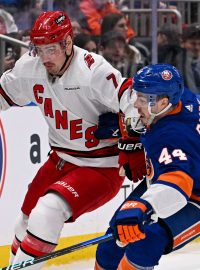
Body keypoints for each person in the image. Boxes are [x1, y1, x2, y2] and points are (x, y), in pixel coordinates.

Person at [0, 11, 146, 270]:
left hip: (100, 167)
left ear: (68, 43)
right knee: (25, 219)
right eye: (39, 49)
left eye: (51, 49)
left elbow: (131, 98)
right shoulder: (29, 66)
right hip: (60, 160)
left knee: (47, 212)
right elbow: (3, 95)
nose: (44, 58)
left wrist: (132, 140)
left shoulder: (93, 70)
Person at [95, 64, 200, 269]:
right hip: (167, 179)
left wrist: (145, 205)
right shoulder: (178, 99)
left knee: (146, 242)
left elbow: (179, 182)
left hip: (193, 196)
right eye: (138, 96)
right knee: (111, 244)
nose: (136, 104)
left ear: (163, 102)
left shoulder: (172, 135)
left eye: (143, 99)